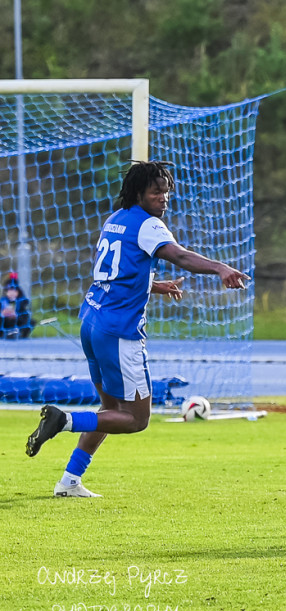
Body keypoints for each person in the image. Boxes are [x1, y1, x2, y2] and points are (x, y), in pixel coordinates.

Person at [25, 160, 249, 497]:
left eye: (167, 191)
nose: (164, 198)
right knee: (135, 419)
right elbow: (182, 257)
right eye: (156, 191)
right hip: (119, 333)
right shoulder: (149, 226)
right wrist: (220, 267)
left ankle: (69, 481)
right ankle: (63, 420)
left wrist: (155, 286)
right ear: (138, 193)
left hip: (92, 323)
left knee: (110, 410)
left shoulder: (114, 220)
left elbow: (115, 272)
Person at [1, 272, 34, 339]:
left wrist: (15, 315)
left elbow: (26, 316)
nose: (12, 293)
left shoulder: (23, 302)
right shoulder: (2, 301)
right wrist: (2, 313)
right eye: (9, 291)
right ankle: (4, 334)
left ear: (18, 291)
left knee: (31, 322)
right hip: (5, 324)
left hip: (18, 324)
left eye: (14, 291)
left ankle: (19, 334)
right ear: (6, 292)